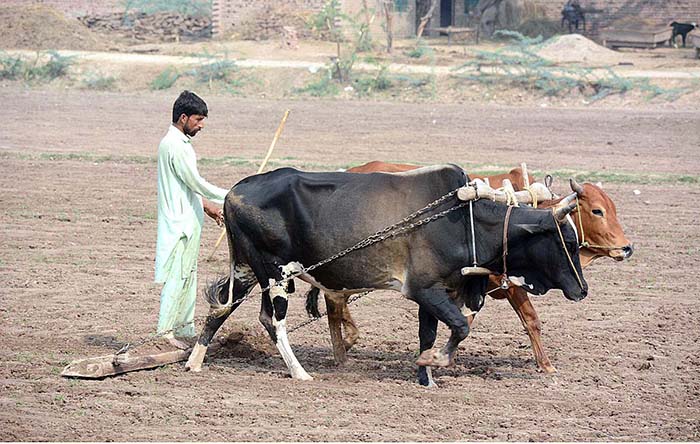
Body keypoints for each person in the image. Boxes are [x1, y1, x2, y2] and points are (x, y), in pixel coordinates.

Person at [154, 90, 228, 349]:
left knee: (189, 276)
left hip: (188, 220)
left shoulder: (180, 144)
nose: (201, 125)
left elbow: (188, 188)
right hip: (179, 224)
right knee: (177, 277)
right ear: (183, 117)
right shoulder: (174, 145)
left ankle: (185, 329)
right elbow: (196, 183)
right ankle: (164, 333)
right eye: (198, 120)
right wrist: (232, 196)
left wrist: (209, 207)